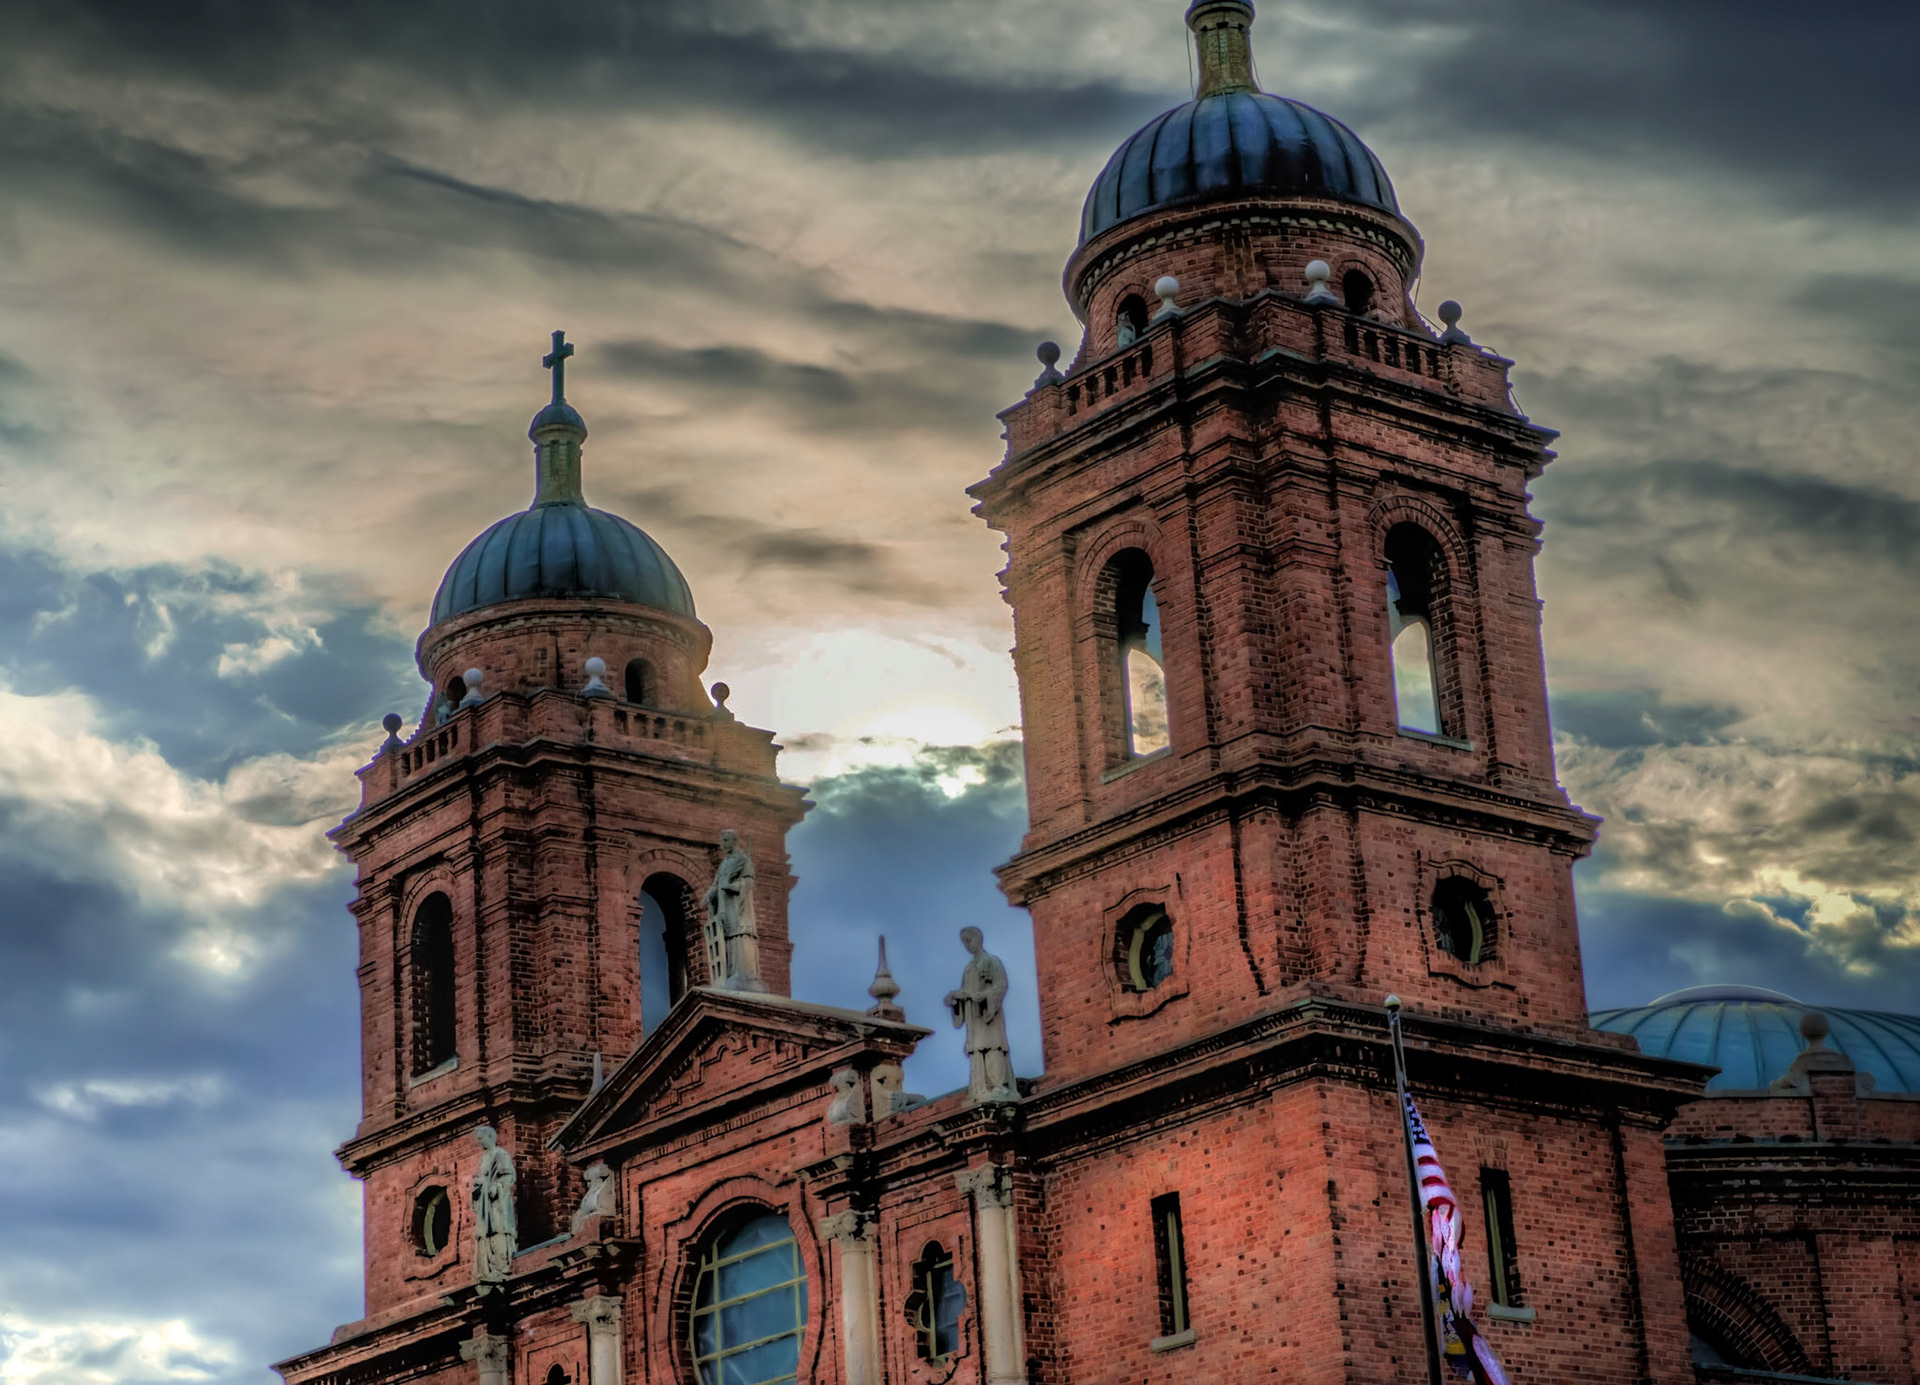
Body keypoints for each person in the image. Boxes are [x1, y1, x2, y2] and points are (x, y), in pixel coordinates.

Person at [944, 927, 1017, 1102]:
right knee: (977, 1048)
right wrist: (955, 1001)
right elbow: (965, 992)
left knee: (993, 1046)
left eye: (969, 941)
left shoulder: (992, 961)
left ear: (979, 939)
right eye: (965, 942)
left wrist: (985, 996)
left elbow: (1001, 986)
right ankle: (980, 1088)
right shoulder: (969, 968)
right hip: (973, 1018)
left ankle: (999, 1086)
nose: (968, 945)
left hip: (988, 1015)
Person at [470, 1124, 517, 1283]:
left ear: (490, 1137)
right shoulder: (483, 1159)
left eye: (481, 1139)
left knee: (498, 1228)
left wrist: (497, 1187)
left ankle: (501, 1264)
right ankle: (488, 1267)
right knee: (485, 1232)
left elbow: (509, 1176)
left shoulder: (500, 1154)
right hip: (484, 1202)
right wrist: (477, 1188)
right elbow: (479, 1178)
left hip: (497, 1203)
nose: (479, 1142)